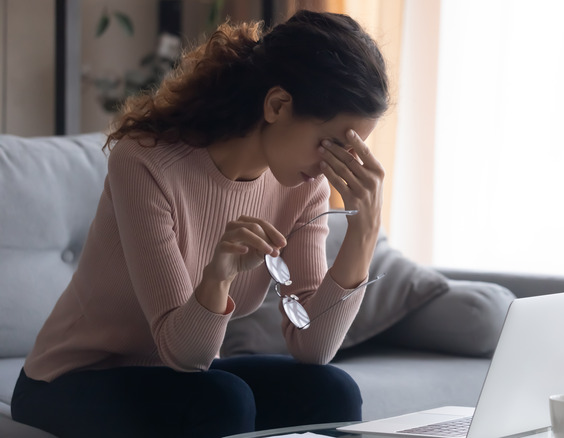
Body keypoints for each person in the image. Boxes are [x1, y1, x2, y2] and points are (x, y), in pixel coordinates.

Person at [11, 9, 389, 438]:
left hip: (183, 380)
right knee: (222, 399)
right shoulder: (147, 162)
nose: (331, 166)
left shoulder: (303, 188)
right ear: (278, 105)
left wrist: (365, 231)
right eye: (331, 143)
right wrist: (217, 277)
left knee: (331, 391)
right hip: (68, 380)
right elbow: (185, 355)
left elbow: (314, 346)